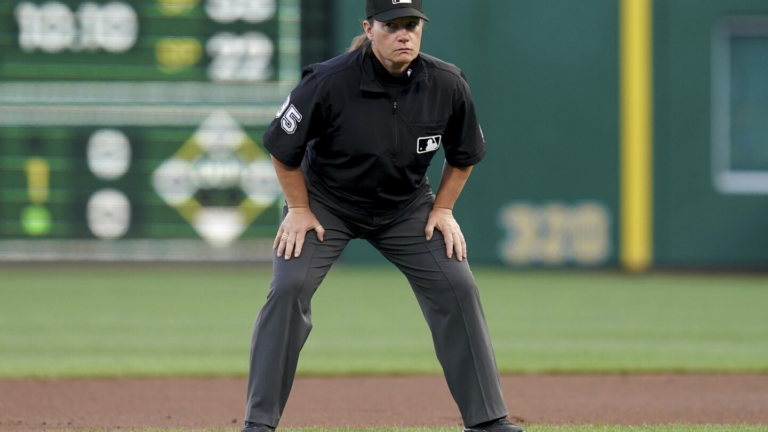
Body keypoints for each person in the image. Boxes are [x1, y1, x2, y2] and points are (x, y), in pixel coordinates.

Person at [243, 1, 525, 431]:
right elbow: (282, 149)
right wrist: (298, 208)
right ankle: (259, 424)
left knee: (457, 285)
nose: (404, 35)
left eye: (411, 25)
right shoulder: (328, 81)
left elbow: (464, 154)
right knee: (289, 287)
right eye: (392, 26)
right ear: (368, 29)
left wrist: (444, 209)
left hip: (405, 207)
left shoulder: (446, 82)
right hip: (325, 205)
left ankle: (487, 421)